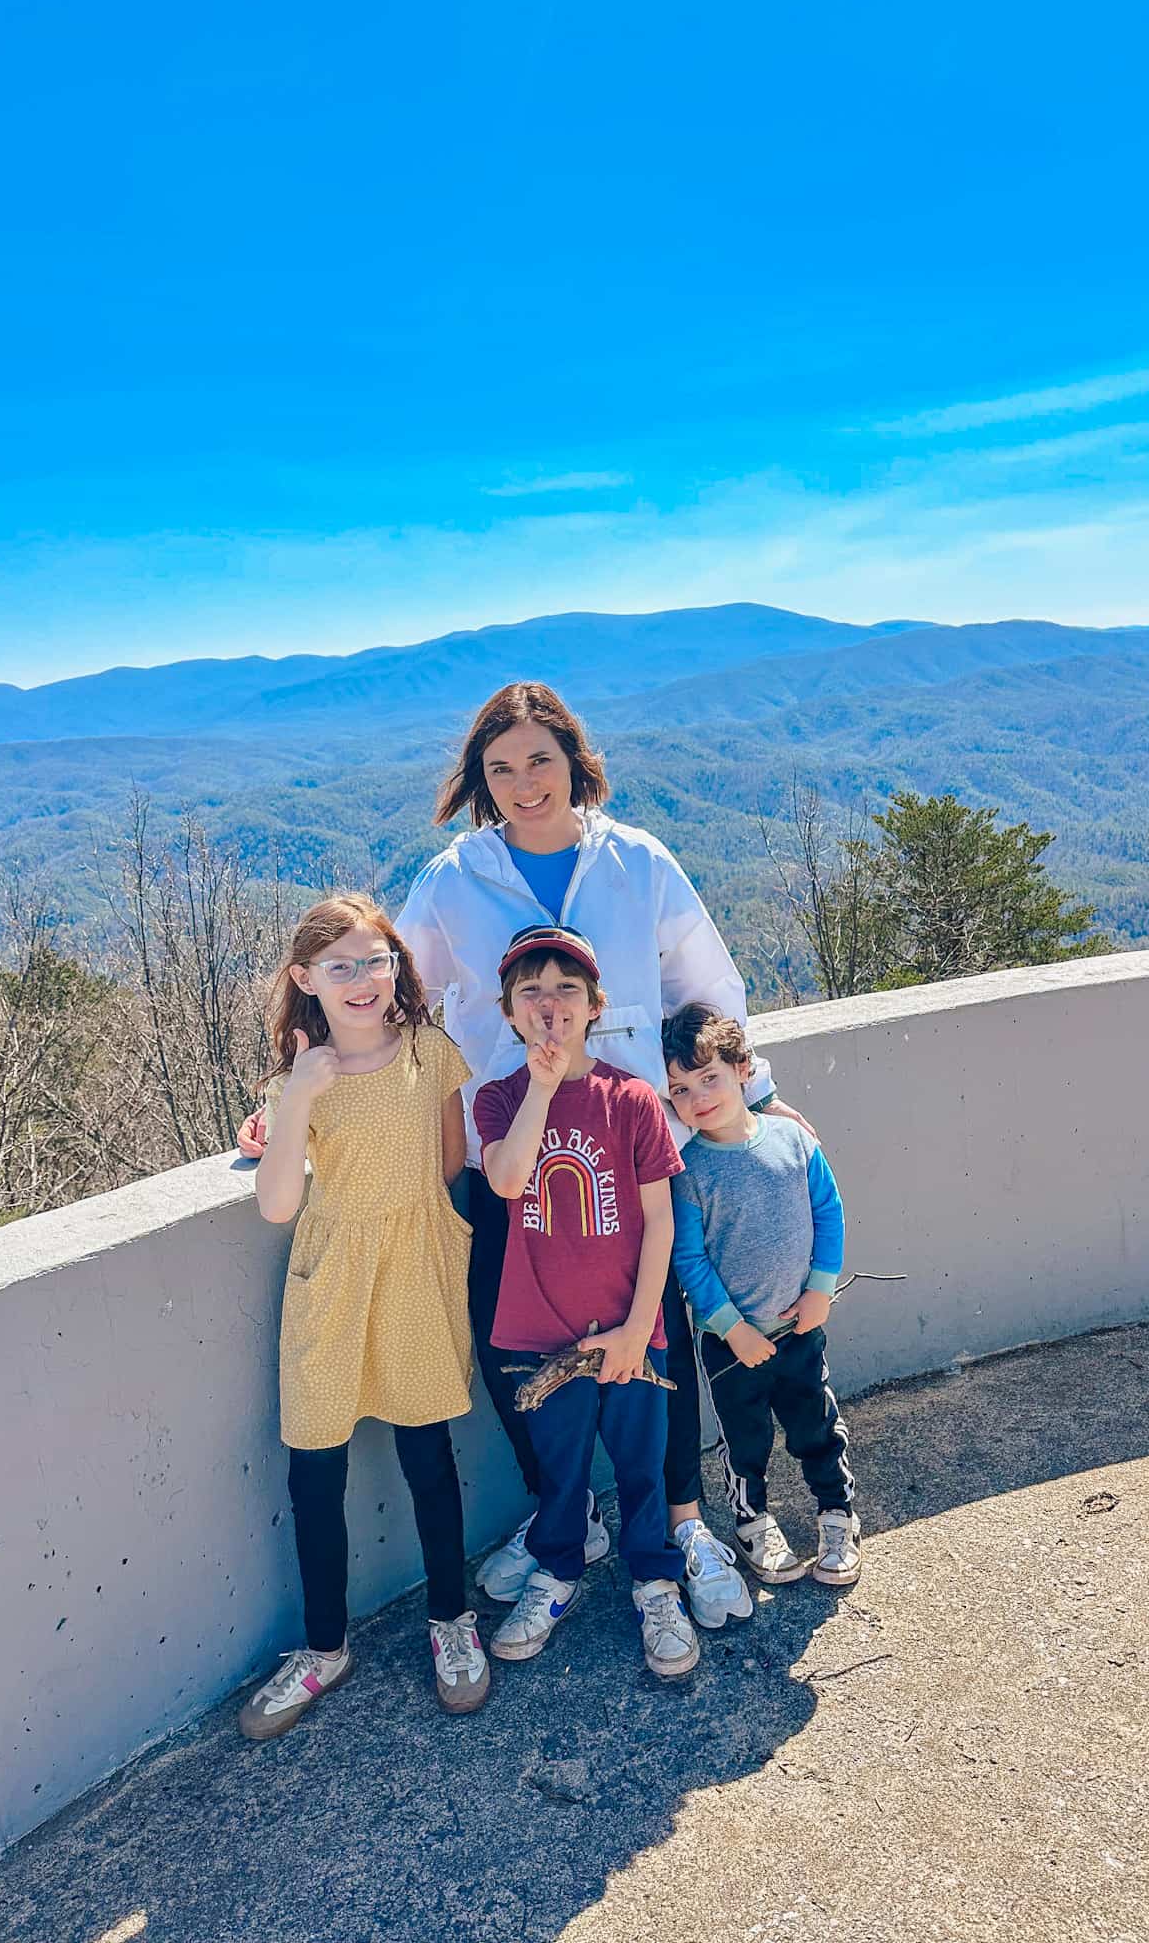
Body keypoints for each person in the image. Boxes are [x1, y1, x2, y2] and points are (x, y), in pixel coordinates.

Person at [238, 680, 813, 1627]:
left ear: (574, 760)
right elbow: (390, 999)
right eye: (499, 768)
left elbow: (708, 987)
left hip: (632, 1145)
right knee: (509, 1343)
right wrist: (296, 1099)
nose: (522, 782)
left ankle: (680, 1522)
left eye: (540, 759)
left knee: (653, 1334)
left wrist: (751, 1091)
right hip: (508, 1149)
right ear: (478, 780)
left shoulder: (639, 864)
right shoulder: (454, 881)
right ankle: (568, 1515)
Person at [238, 893, 489, 1739]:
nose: (360, 980)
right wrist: (297, 1102)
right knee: (316, 1468)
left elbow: (451, 1159)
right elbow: (278, 1205)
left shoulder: (430, 1052)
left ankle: (451, 1623)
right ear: (305, 979)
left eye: (374, 961)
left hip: (415, 1271)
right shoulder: (296, 1080)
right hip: (332, 1278)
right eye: (338, 966)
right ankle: (323, 1647)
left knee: (429, 1455)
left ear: (397, 968)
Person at [475, 924, 699, 1677]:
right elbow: (507, 1180)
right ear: (507, 1011)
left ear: (595, 1004)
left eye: (566, 989)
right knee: (562, 1474)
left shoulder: (630, 1099)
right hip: (540, 1335)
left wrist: (642, 1326)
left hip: (631, 1332)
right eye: (530, 991)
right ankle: (558, 1572)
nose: (549, 1005)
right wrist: (542, 1084)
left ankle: (655, 1584)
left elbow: (659, 1219)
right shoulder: (501, 1098)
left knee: (643, 1468)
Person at [664, 1002, 862, 1590]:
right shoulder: (687, 1170)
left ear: (743, 1070)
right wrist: (731, 1327)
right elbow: (689, 1259)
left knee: (815, 1423)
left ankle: (836, 1514)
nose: (698, 1098)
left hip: (800, 1327)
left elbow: (829, 1213)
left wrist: (820, 1291)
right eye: (680, 1089)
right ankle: (753, 1523)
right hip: (732, 1346)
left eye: (710, 1079)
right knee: (743, 1439)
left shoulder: (793, 1143)